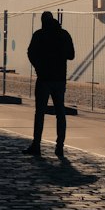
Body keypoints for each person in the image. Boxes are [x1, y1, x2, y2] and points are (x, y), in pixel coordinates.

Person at [24, 10, 75, 159]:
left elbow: (30, 52)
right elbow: (71, 55)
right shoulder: (64, 34)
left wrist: (38, 66)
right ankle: (59, 146)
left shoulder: (39, 35)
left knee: (39, 113)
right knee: (60, 113)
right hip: (59, 78)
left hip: (44, 78)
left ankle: (37, 145)